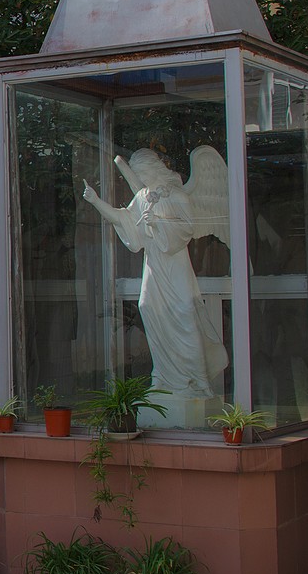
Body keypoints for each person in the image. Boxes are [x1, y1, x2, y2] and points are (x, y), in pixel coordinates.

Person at [82, 148, 229, 398]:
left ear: (153, 169)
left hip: (175, 264)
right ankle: (162, 375)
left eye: (142, 173)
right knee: (147, 306)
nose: (141, 178)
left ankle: (200, 379)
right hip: (153, 263)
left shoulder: (178, 196)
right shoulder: (142, 196)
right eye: (137, 174)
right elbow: (123, 219)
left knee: (185, 314)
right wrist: (96, 201)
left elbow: (187, 229)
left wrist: (158, 222)